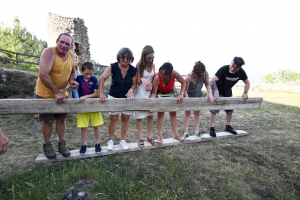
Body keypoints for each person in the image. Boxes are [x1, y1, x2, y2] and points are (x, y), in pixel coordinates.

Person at [35, 33, 79, 159]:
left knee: (61, 119)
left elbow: (72, 72)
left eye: (67, 44)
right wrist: (56, 92)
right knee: (48, 120)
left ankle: (62, 143)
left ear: (71, 46)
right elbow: (43, 74)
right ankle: (47, 144)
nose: (64, 46)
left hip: (62, 94)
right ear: (57, 41)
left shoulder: (72, 56)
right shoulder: (49, 53)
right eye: (62, 42)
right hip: (45, 94)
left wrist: (72, 81)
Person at [99, 47, 137, 150]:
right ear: (119, 57)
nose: (125, 59)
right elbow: (102, 79)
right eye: (123, 57)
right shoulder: (113, 67)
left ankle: (122, 140)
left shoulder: (133, 70)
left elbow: (134, 84)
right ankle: (110, 141)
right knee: (113, 119)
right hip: (114, 96)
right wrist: (101, 93)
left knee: (125, 119)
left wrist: (131, 90)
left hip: (127, 98)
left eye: (128, 58)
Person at [209, 56, 250, 137]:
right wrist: (216, 91)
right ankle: (212, 128)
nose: (232, 68)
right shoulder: (223, 69)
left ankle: (228, 126)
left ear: (239, 68)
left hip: (228, 92)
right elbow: (212, 81)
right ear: (231, 62)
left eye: (235, 68)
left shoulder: (241, 72)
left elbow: (247, 82)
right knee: (214, 109)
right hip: (217, 90)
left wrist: (245, 92)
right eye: (232, 65)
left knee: (230, 110)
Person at [151, 62, 186, 144]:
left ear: (170, 74)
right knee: (160, 114)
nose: (162, 76)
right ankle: (159, 137)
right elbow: (153, 93)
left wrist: (181, 94)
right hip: (159, 93)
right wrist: (151, 105)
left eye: (165, 75)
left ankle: (176, 135)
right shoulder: (157, 78)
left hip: (170, 92)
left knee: (173, 113)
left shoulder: (174, 73)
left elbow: (184, 82)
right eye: (161, 74)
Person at [76, 62, 104, 154]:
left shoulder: (94, 79)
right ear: (82, 71)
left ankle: (97, 143)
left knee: (96, 125)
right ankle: (84, 144)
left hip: (93, 105)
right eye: (86, 73)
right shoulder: (78, 78)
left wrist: (85, 97)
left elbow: (96, 93)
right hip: (82, 106)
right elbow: (74, 88)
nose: (89, 76)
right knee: (83, 127)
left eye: (91, 74)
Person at [182, 61, 214, 139]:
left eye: (202, 75)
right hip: (189, 96)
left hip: (198, 95)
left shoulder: (205, 73)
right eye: (199, 76)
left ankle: (197, 132)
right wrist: (188, 100)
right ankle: (185, 133)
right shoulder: (188, 77)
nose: (201, 77)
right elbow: (185, 90)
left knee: (197, 113)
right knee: (187, 113)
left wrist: (210, 93)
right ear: (194, 73)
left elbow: (207, 84)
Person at [133, 45, 157, 148]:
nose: (150, 60)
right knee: (140, 117)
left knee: (150, 116)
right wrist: (141, 80)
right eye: (148, 58)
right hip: (140, 92)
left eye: (152, 57)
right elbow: (136, 81)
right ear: (144, 56)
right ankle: (140, 138)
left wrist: (152, 85)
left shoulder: (153, 65)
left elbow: (154, 78)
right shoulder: (139, 65)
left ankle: (150, 137)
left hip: (149, 93)